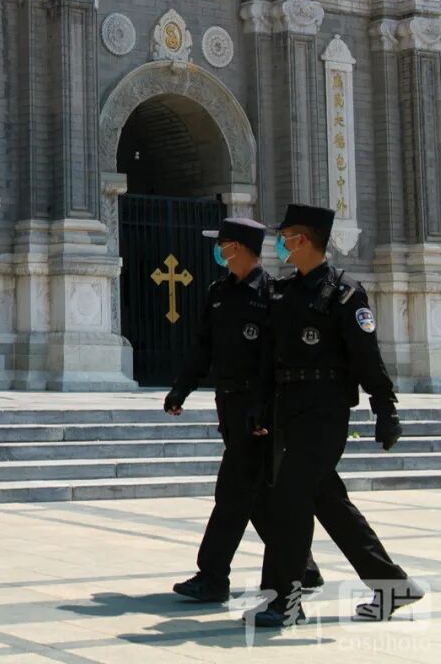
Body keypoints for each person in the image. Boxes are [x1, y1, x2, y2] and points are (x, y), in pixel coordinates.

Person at [254, 204, 423, 627]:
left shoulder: (344, 293)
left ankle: (285, 601)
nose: (281, 243)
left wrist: (385, 410)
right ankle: (392, 583)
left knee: (289, 499)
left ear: (305, 239)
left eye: (286, 236)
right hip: (290, 410)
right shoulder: (284, 292)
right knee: (328, 502)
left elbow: (367, 357)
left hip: (325, 412)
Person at [164, 218, 321, 604]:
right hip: (229, 404)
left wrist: (265, 409)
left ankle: (213, 576)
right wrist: (181, 389)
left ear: (237, 248)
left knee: (232, 491)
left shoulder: (272, 294)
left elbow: (276, 358)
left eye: (222, 244)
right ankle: (303, 567)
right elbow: (203, 348)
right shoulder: (218, 293)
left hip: (258, 410)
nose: (218, 250)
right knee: (257, 494)